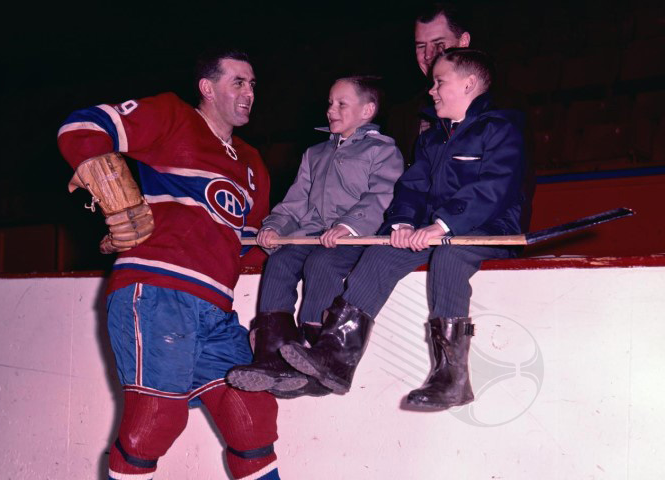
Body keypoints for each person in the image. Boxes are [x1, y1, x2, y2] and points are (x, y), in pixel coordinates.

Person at [57, 49, 281, 480]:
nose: (249, 92)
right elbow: (82, 126)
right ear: (207, 88)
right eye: (238, 82)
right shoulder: (173, 116)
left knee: (251, 417)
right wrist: (101, 179)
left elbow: (248, 246)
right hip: (156, 291)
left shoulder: (253, 164)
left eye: (253, 84)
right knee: (156, 420)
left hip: (216, 309)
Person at [280, 49, 527, 409]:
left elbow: (493, 189)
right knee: (382, 253)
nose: (432, 90)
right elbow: (411, 187)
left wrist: (442, 225)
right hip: (436, 228)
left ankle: (452, 377)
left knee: (450, 256)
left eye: (440, 82)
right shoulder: (433, 137)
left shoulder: (502, 128)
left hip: (489, 229)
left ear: (469, 84)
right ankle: (336, 358)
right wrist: (403, 223)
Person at [226, 76, 403, 398]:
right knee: (279, 263)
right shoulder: (315, 153)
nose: (331, 110)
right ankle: (272, 354)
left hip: (354, 237)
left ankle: (316, 353)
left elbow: (380, 195)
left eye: (341, 104)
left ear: (368, 110)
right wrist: (275, 227)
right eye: (330, 103)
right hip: (310, 233)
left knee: (322, 264)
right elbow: (296, 200)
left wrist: (349, 226)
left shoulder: (382, 150)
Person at [388, 2, 471, 166]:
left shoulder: (503, 106)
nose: (428, 55)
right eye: (421, 46)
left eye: (439, 44)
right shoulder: (401, 115)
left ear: (463, 42)